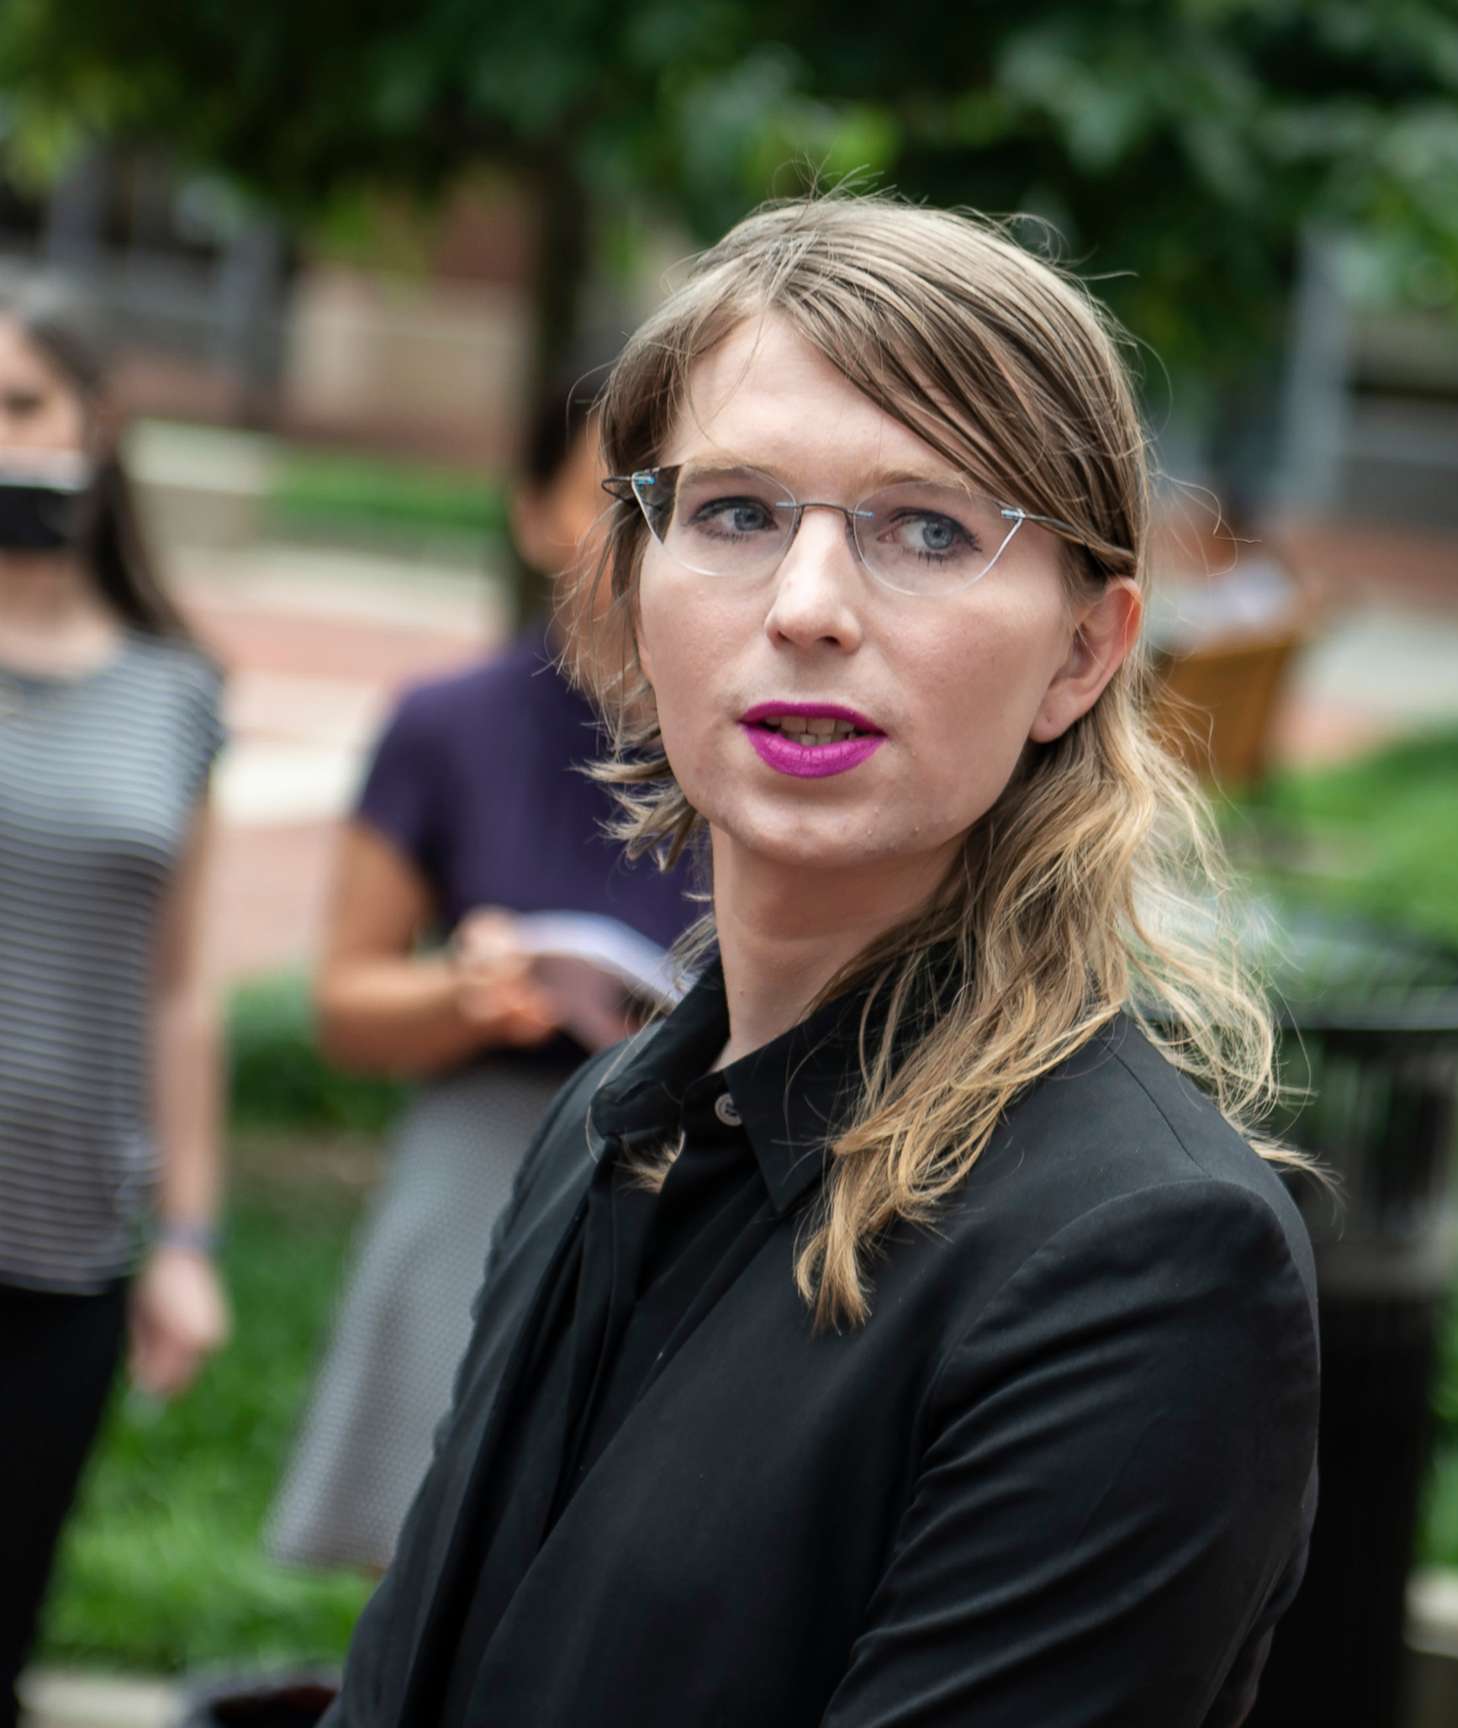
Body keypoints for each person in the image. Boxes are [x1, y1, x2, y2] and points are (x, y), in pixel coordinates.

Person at [321, 194, 1320, 1728]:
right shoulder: (605, 1133)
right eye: (735, 513)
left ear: (1085, 649)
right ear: (629, 584)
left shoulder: (1143, 1261)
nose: (806, 609)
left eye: (928, 529)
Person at [265, 370, 699, 1574]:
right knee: (434, 1549)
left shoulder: (754, 733)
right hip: (490, 1148)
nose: (645, 534)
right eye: (618, 492)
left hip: (701, 1173)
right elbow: (346, 1007)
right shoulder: (447, 724)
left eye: (688, 498)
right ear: (533, 514)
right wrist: (464, 995)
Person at [0, 281, 229, 1726]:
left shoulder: (174, 692)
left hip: (64, 1251)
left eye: (20, 405)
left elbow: (184, 991)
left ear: (97, 426)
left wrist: (189, 1241)